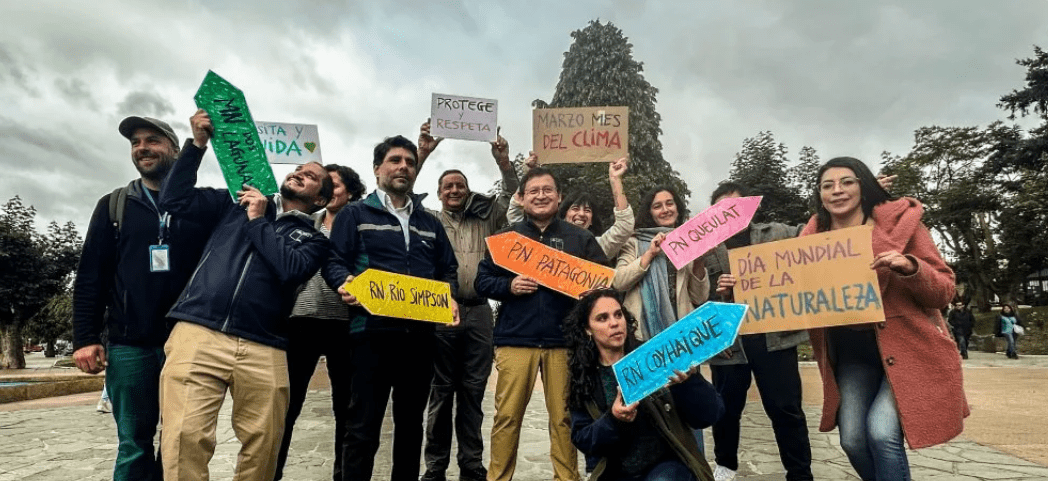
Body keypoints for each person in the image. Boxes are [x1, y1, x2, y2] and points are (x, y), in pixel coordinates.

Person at [158, 110, 334, 481]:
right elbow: (174, 200)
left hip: (265, 345)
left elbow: (289, 269)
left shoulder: (315, 241)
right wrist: (197, 145)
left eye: (313, 177)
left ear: (320, 201)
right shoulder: (233, 202)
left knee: (264, 444)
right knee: (184, 439)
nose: (300, 173)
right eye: (299, 169)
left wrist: (258, 220)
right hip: (199, 331)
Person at [802, 156, 966, 481]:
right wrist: (742, 289)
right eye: (827, 185)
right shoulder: (808, 242)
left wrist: (911, 268)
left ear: (864, 186)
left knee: (881, 433)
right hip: (851, 357)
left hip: (908, 351)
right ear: (819, 194)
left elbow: (945, 290)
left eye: (847, 182)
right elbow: (783, 290)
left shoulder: (905, 226)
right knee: (851, 439)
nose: (837, 190)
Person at [72, 115, 210, 481]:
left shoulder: (202, 205)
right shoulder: (114, 205)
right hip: (130, 346)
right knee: (134, 444)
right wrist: (86, 338)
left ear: (175, 149)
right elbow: (91, 277)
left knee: (182, 441)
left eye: (153, 140)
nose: (143, 148)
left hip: (190, 342)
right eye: (135, 143)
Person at [322, 135, 459, 481]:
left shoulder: (430, 222)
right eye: (395, 160)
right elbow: (334, 261)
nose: (403, 167)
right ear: (377, 168)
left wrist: (450, 296)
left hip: (420, 336)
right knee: (362, 426)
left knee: (411, 427)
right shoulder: (354, 214)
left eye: (410, 162)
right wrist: (345, 282)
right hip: (370, 334)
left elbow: (447, 269)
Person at [475, 166, 608, 481]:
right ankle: (498, 478)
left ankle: (566, 478)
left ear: (559, 197)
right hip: (514, 341)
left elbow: (604, 283)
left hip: (565, 343)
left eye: (548, 190)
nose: (541, 195)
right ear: (521, 199)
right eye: (533, 191)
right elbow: (482, 281)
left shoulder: (581, 238)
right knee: (506, 418)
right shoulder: (506, 239)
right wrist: (509, 287)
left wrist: (591, 294)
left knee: (563, 419)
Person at [416, 122, 518, 481]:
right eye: (448, 186)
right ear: (440, 193)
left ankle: (471, 465)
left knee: (473, 393)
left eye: (460, 185)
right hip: (440, 311)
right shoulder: (426, 220)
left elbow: (513, 197)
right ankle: (435, 467)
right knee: (441, 393)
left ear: (467, 190)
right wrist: (423, 153)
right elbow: (399, 196)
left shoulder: (487, 218)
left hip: (478, 312)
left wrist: (504, 162)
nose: (455, 190)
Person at [702, 181, 813, 481]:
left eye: (737, 205)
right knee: (725, 410)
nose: (731, 212)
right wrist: (717, 290)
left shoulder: (775, 233)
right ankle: (725, 465)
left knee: (786, 409)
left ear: (751, 207)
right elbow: (695, 297)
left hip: (774, 338)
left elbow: (817, 235)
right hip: (729, 344)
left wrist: (863, 201)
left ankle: (800, 473)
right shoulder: (706, 250)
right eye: (723, 207)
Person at [565, 289, 723, 481]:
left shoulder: (656, 358)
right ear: (587, 329)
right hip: (616, 470)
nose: (614, 323)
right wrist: (614, 419)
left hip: (666, 466)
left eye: (618, 314)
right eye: (602, 318)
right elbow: (584, 439)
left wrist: (689, 384)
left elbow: (710, 415)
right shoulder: (585, 377)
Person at [275, 163, 366, 481]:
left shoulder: (360, 226)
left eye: (336, 185)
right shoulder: (302, 220)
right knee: (286, 408)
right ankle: (272, 472)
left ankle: (343, 475)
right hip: (301, 320)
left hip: (345, 323)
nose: (330, 191)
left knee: (347, 410)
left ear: (350, 193)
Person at [508, 153, 635, 258]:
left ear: (592, 220)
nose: (581, 214)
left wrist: (615, 179)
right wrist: (532, 176)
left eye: (587, 210)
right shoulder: (534, 237)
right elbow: (515, 211)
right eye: (575, 209)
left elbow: (624, 227)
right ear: (564, 215)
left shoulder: (594, 246)